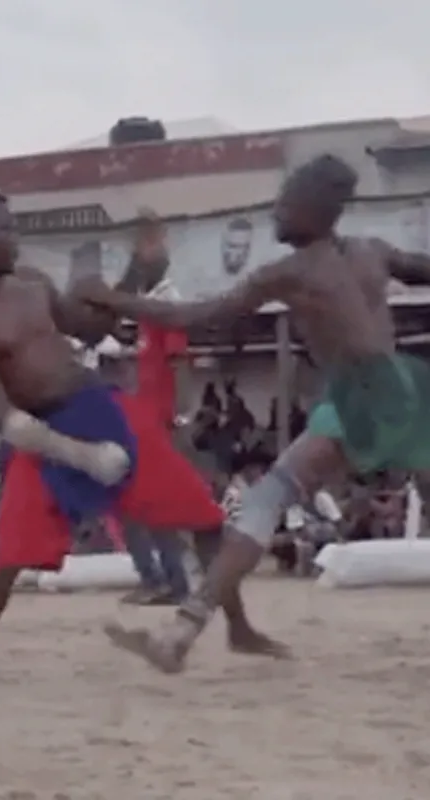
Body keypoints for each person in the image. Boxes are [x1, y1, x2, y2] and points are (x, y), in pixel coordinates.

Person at [80, 153, 430, 673]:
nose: (276, 212)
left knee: (270, 495)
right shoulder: (372, 250)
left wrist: (113, 299)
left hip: (366, 393)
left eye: (285, 204)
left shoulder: (289, 273)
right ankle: (192, 630)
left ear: (315, 210)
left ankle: (182, 632)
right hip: (395, 387)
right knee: (280, 494)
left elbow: (194, 314)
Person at [0, 187, 229, 686]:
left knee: (204, 516)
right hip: (42, 436)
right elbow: (7, 420)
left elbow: (89, 331)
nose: (14, 237)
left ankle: (230, 626)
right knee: (5, 563)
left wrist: (135, 274)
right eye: (1, 229)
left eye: (13, 225)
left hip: (98, 406)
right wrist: (81, 455)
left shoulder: (33, 283)